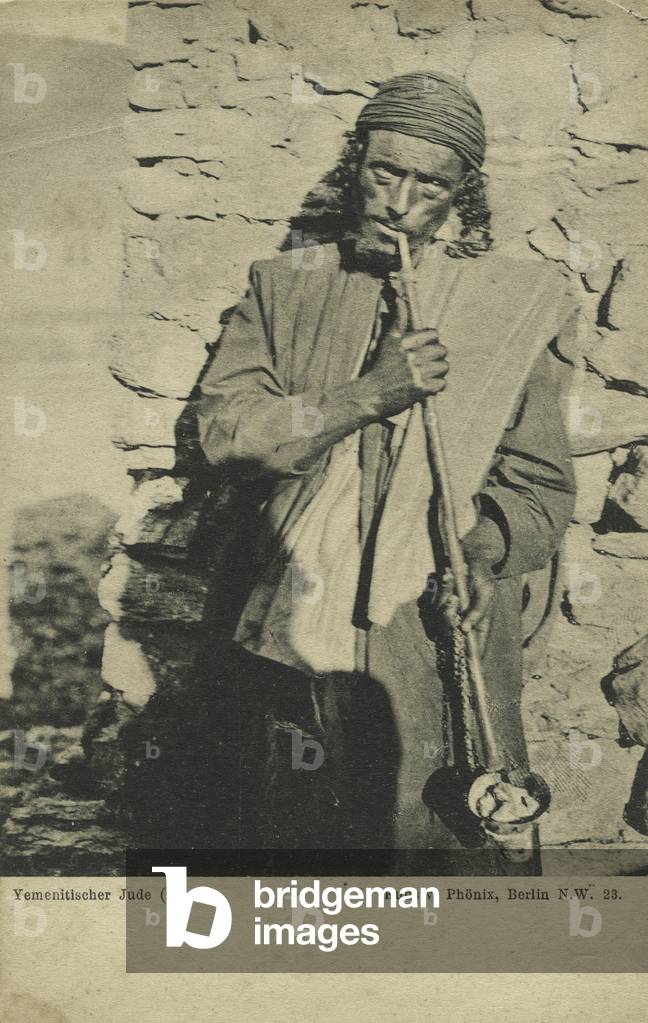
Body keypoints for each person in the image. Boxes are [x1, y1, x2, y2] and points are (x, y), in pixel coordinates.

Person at [196, 71, 577, 872]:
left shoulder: (513, 305)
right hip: (291, 626)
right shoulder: (284, 285)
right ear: (354, 164)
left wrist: (479, 554)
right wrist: (368, 395)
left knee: (435, 844)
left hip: (430, 624)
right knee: (294, 844)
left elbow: (539, 486)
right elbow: (227, 432)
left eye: (429, 182)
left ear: (462, 193)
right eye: (383, 170)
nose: (399, 199)